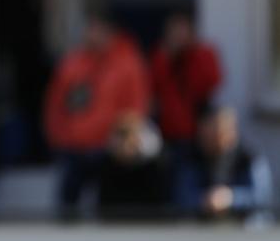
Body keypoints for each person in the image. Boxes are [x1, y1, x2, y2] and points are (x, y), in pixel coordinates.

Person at [44, 16, 150, 216]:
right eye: (89, 30)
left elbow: (136, 107)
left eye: (97, 30)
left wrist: (123, 140)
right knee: (67, 205)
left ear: (109, 32)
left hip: (108, 148)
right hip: (73, 147)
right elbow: (56, 104)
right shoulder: (72, 63)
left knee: (108, 206)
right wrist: (58, 136)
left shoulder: (127, 63)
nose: (92, 36)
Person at [174, 106, 273, 224]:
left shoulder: (249, 159)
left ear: (232, 132)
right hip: (202, 227)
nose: (214, 140)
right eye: (208, 134)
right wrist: (205, 200)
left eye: (219, 134)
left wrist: (231, 198)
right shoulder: (191, 158)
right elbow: (181, 195)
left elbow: (262, 197)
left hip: (243, 227)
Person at [150, 12, 222, 154]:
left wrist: (190, 55)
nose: (178, 36)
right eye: (174, 31)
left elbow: (210, 82)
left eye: (182, 30)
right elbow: (153, 86)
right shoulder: (161, 56)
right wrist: (168, 58)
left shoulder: (203, 54)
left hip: (197, 131)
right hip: (168, 130)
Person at [96, 113, 171, 220]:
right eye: (122, 135)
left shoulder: (157, 167)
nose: (126, 142)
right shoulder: (106, 166)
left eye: (132, 134)